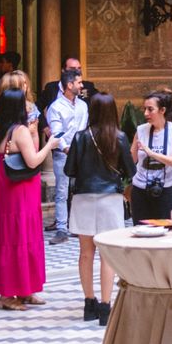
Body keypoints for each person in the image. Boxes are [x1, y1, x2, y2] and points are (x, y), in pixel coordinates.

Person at [0, 87, 57, 310]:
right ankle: (8, 295)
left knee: (12, 237)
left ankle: (24, 288)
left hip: (6, 192)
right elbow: (33, 161)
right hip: (21, 192)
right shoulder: (20, 130)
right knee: (21, 236)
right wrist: (49, 145)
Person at [65, 92, 134, 324]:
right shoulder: (120, 137)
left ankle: (89, 303)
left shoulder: (80, 137)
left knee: (85, 253)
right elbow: (131, 171)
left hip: (84, 198)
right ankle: (105, 307)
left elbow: (69, 170)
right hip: (110, 200)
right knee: (107, 255)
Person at [45, 68, 89, 244]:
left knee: (79, 190)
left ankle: (77, 225)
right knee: (62, 191)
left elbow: (84, 128)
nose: (82, 85)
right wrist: (65, 149)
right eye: (79, 82)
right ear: (70, 85)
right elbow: (56, 132)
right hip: (63, 154)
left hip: (81, 153)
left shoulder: (83, 105)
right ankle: (62, 228)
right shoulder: (55, 107)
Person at [130, 90, 172, 224]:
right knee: (141, 233)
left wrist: (153, 154)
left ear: (162, 110)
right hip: (141, 189)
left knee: (166, 233)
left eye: (150, 109)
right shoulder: (141, 129)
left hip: (166, 190)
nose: (145, 114)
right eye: (145, 109)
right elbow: (132, 161)